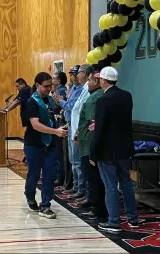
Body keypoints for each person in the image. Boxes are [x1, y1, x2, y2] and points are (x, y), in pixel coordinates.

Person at [90, 66, 138, 233]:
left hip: (107, 150)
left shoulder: (103, 100)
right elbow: (120, 121)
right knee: (126, 183)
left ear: (103, 80)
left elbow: (101, 128)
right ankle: (133, 219)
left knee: (110, 186)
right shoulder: (127, 96)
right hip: (124, 148)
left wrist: (93, 151)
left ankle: (114, 221)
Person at [24, 72, 67, 219]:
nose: (49, 89)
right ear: (37, 85)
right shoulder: (32, 102)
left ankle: (45, 205)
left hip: (50, 145)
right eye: (46, 86)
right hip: (34, 144)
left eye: (51, 86)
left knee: (49, 175)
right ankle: (30, 195)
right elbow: (35, 125)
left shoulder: (50, 100)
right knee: (34, 175)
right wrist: (55, 131)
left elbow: (53, 117)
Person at [77, 71, 108, 218]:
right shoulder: (100, 95)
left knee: (93, 177)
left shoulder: (95, 98)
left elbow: (92, 122)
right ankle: (95, 203)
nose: (87, 83)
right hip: (92, 143)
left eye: (89, 80)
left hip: (89, 144)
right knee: (96, 177)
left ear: (96, 82)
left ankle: (97, 208)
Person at [52, 65, 83, 194]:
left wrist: (60, 101)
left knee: (76, 160)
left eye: (74, 74)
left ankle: (79, 188)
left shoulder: (81, 89)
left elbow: (71, 106)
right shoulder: (73, 89)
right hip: (69, 124)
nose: (72, 77)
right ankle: (74, 186)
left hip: (77, 126)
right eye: (71, 74)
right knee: (71, 159)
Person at [67, 64, 93, 200]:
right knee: (74, 160)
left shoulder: (87, 90)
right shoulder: (81, 89)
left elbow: (82, 112)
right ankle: (78, 187)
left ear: (85, 74)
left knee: (80, 162)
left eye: (79, 73)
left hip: (81, 131)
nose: (76, 76)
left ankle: (82, 189)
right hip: (75, 129)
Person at [0, 78, 32, 163]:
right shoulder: (22, 91)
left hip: (30, 118)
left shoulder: (26, 89)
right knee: (27, 137)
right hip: (28, 119)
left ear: (23, 84)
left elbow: (17, 102)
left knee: (28, 138)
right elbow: (13, 101)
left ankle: (28, 157)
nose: (17, 88)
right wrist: (2, 109)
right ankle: (27, 156)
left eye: (18, 86)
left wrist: (7, 110)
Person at [52, 71, 68, 186]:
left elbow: (56, 105)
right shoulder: (57, 90)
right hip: (58, 121)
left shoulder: (61, 91)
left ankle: (61, 177)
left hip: (60, 122)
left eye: (54, 78)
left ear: (59, 80)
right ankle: (59, 175)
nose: (52, 81)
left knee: (60, 152)